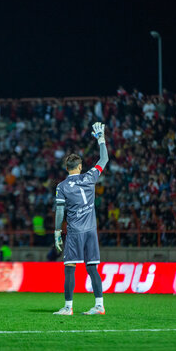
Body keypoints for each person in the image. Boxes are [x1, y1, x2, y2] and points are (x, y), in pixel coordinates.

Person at [53, 122, 109, 316]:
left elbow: (60, 211)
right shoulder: (90, 177)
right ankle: (99, 305)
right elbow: (104, 158)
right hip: (91, 231)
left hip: (75, 232)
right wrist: (101, 138)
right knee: (93, 268)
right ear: (79, 167)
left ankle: (68, 307)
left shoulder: (61, 186)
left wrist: (57, 232)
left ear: (67, 168)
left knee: (70, 268)